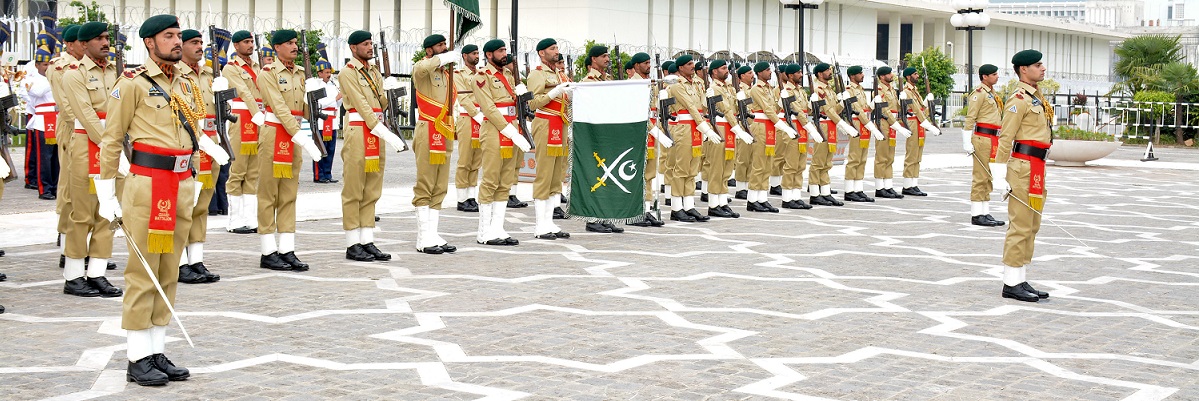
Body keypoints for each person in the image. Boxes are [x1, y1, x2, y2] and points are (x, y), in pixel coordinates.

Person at [98, 14, 198, 385]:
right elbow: (111, 139)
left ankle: (156, 350)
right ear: (149, 43)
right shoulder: (133, 85)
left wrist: (196, 177)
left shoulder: (186, 81)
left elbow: (193, 134)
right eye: (168, 36)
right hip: (148, 186)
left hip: (181, 183)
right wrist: (106, 192)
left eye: (178, 35)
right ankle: (137, 356)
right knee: (143, 272)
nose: (177, 40)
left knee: (168, 270)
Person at [62, 21, 122, 298]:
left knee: (107, 213)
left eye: (106, 38)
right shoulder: (73, 74)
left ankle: (97, 273)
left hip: (112, 147)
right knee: (82, 214)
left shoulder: (116, 72)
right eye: (98, 38)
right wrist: (111, 145)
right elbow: (85, 115)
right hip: (88, 148)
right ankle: (74, 276)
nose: (105, 42)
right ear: (84, 45)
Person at [255, 29, 323, 271]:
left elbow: (303, 110)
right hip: (275, 134)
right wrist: (302, 138)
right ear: (277, 47)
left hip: (294, 135)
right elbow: (279, 107)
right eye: (289, 43)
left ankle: (286, 249)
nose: (295, 46)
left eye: (296, 42)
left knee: (288, 194)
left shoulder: (302, 73)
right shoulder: (268, 74)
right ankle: (268, 251)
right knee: (268, 195)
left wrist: (316, 97)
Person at [339, 30, 406, 260]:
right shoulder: (348, 73)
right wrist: (384, 132)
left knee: (372, 190)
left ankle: (367, 240)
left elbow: (380, 105)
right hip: (359, 130)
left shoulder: (374, 72)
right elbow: (361, 105)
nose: (370, 47)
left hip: (376, 131)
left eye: (371, 43)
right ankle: (352, 243)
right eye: (365, 44)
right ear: (353, 48)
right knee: (354, 189)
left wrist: (390, 90)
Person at [995, 49, 1053, 303]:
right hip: (1021, 168)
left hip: (1037, 167)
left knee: (1032, 225)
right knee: (1019, 225)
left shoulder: (1036, 97)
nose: (1042, 69)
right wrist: (999, 173)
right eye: (1037, 65)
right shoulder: (1018, 99)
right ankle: (1010, 282)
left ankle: (1019, 276)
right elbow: (1005, 138)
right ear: (1023, 70)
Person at [176, 28, 230, 284]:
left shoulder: (209, 74)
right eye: (194, 43)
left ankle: (195, 259)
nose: (200, 47)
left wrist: (224, 94)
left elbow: (221, 111)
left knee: (201, 207)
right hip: (191, 146)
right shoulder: (176, 74)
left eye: (201, 43)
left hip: (212, 145)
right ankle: (179, 262)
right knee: (183, 206)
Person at [473, 38, 530, 246]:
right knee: (490, 180)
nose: (504, 53)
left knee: (506, 181)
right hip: (495, 131)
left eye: (505, 49)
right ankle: (483, 232)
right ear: (489, 55)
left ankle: (497, 228)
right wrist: (511, 133)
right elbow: (488, 108)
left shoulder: (509, 74)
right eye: (500, 50)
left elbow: (519, 106)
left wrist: (523, 95)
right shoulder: (482, 76)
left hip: (513, 128)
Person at [409, 34, 461, 253]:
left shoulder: (446, 73)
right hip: (428, 129)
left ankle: (433, 233)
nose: (444, 48)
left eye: (445, 45)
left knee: (440, 185)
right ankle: (423, 238)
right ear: (429, 51)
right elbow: (421, 70)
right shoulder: (422, 68)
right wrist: (443, 58)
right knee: (426, 183)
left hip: (444, 129)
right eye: (440, 46)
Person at [525, 38, 574, 239]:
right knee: (545, 174)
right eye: (552, 49)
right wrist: (555, 92)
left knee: (557, 175)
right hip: (546, 124)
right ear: (541, 53)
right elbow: (533, 104)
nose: (556, 51)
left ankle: (550, 223)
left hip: (561, 123)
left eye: (557, 48)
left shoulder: (559, 73)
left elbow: (566, 100)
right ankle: (540, 225)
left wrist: (569, 94)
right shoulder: (537, 74)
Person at [665, 55, 724, 220]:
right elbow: (690, 107)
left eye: (692, 63)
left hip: (696, 128)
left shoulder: (695, 84)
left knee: (692, 170)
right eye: (689, 64)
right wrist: (706, 129)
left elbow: (701, 107)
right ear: (681, 68)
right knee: (681, 169)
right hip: (685, 129)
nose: (693, 66)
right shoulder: (677, 84)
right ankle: (677, 208)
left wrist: (708, 96)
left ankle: (689, 206)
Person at [222, 30, 266, 234]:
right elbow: (244, 92)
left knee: (253, 171)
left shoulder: (257, 67)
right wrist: (256, 112)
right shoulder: (231, 68)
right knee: (238, 169)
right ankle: (234, 220)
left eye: (251, 41)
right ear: (236, 46)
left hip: (259, 118)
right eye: (246, 42)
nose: (250, 45)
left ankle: (250, 218)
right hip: (242, 119)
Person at [745, 61, 797, 213]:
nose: (770, 72)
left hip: (769, 126)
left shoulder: (769, 89)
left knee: (768, 164)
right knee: (759, 164)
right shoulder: (757, 89)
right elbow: (767, 109)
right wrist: (783, 127)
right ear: (760, 73)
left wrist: (782, 102)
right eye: (767, 70)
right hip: (761, 126)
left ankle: (762, 198)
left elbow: (774, 108)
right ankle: (752, 199)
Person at [808, 63, 857, 207]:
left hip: (831, 125)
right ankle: (814, 194)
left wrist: (842, 102)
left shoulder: (829, 89)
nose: (830, 72)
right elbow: (827, 110)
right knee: (818, 161)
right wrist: (843, 124)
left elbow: (835, 109)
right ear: (819, 74)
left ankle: (825, 192)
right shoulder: (818, 89)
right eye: (827, 70)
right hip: (823, 125)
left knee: (827, 161)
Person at [963, 64, 1006, 227]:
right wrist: (966, 141)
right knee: (980, 175)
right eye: (994, 74)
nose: (997, 76)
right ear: (985, 77)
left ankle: (984, 211)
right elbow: (970, 117)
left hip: (993, 138)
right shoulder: (979, 94)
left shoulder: (992, 94)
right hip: (982, 138)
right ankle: (976, 213)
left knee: (988, 175)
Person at [702, 59, 745, 218]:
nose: (726, 70)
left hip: (730, 127)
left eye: (726, 68)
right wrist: (737, 127)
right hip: (720, 127)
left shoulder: (729, 87)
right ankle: (713, 204)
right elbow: (725, 110)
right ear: (714, 72)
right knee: (717, 167)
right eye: (723, 68)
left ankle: (722, 202)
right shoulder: (713, 88)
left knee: (727, 167)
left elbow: (734, 108)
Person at [842, 65, 884, 203]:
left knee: (862, 159)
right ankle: (849, 190)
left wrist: (873, 104)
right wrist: (871, 126)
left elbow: (865, 109)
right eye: (860, 73)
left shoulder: (860, 90)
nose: (862, 75)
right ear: (852, 76)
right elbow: (857, 110)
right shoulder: (849, 90)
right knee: (854, 158)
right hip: (857, 125)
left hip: (864, 126)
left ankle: (858, 189)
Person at [899, 67, 942, 196]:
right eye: (915, 74)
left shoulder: (915, 91)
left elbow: (922, 110)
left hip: (920, 124)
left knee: (918, 156)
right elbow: (916, 110)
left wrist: (929, 102)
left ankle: (913, 183)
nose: (917, 76)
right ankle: (907, 185)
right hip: (913, 123)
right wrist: (930, 126)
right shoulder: (906, 92)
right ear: (907, 77)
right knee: (911, 155)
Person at [872, 66, 911, 199]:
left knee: (890, 157)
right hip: (884, 124)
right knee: (881, 157)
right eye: (888, 74)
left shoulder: (892, 90)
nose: (891, 75)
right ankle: (879, 187)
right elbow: (884, 110)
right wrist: (897, 126)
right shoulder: (879, 90)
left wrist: (902, 100)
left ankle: (888, 186)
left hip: (892, 124)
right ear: (882, 77)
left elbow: (896, 108)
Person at [454, 44, 482, 213]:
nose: (476, 56)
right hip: (467, 118)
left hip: (481, 119)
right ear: (465, 56)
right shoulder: (459, 74)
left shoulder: (481, 74)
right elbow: (463, 98)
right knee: (465, 160)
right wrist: (476, 114)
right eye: (473, 53)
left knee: (476, 161)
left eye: (478, 53)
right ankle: (461, 198)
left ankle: (471, 196)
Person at [312, 60, 341, 183]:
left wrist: (340, 98)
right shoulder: (316, 85)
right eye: (326, 72)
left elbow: (337, 104)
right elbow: (319, 103)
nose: (329, 75)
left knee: (330, 149)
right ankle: (319, 175)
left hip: (332, 120)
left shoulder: (333, 85)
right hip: (321, 120)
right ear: (319, 73)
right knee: (320, 149)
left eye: (330, 72)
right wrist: (335, 98)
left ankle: (328, 174)